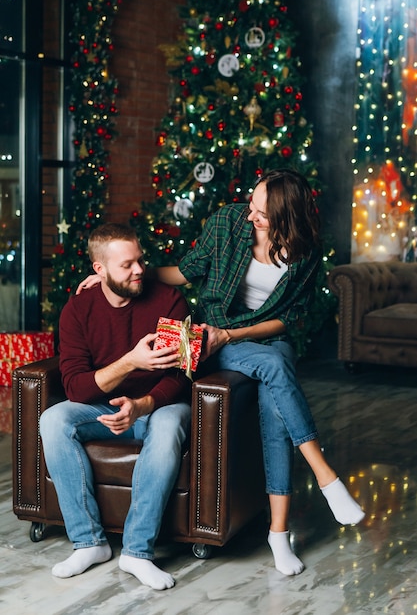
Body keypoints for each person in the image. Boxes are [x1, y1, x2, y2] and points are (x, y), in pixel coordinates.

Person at [78, 169, 365, 577]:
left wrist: (235, 334)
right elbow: (187, 270)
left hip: (260, 337)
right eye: (252, 205)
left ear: (287, 216)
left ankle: (279, 533)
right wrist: (117, 276)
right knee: (275, 367)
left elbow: (289, 320)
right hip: (212, 337)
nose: (251, 216)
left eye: (262, 213)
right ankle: (326, 477)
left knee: (274, 388)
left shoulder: (306, 252)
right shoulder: (228, 222)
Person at [40, 223, 192, 591]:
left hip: (159, 406)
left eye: (140, 260)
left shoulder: (168, 300)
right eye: (127, 265)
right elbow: (76, 388)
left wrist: (142, 405)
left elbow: (181, 376)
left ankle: (138, 552)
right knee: (53, 418)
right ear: (100, 270)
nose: (139, 270)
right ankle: (89, 543)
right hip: (102, 409)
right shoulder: (77, 310)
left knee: (170, 424)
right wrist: (131, 361)